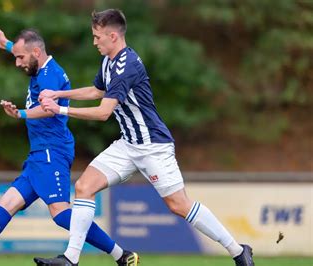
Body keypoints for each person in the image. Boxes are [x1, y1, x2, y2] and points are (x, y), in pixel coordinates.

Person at [34, 9, 255, 266]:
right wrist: (60, 94)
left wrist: (59, 109)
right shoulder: (108, 60)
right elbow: (97, 91)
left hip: (153, 146)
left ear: (113, 36)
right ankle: (71, 259)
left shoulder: (126, 66)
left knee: (179, 205)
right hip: (128, 144)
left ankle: (238, 251)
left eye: (97, 37)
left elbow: (104, 112)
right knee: (84, 187)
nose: (94, 42)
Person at [0, 26, 138, 266]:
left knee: (61, 214)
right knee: (4, 207)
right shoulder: (40, 65)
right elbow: (27, 52)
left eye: (20, 57)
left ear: (37, 52)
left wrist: (20, 114)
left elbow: (47, 109)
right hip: (38, 155)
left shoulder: (49, 75)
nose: (17, 62)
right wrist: (7, 44)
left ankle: (122, 255)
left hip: (52, 152)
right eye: (16, 56)